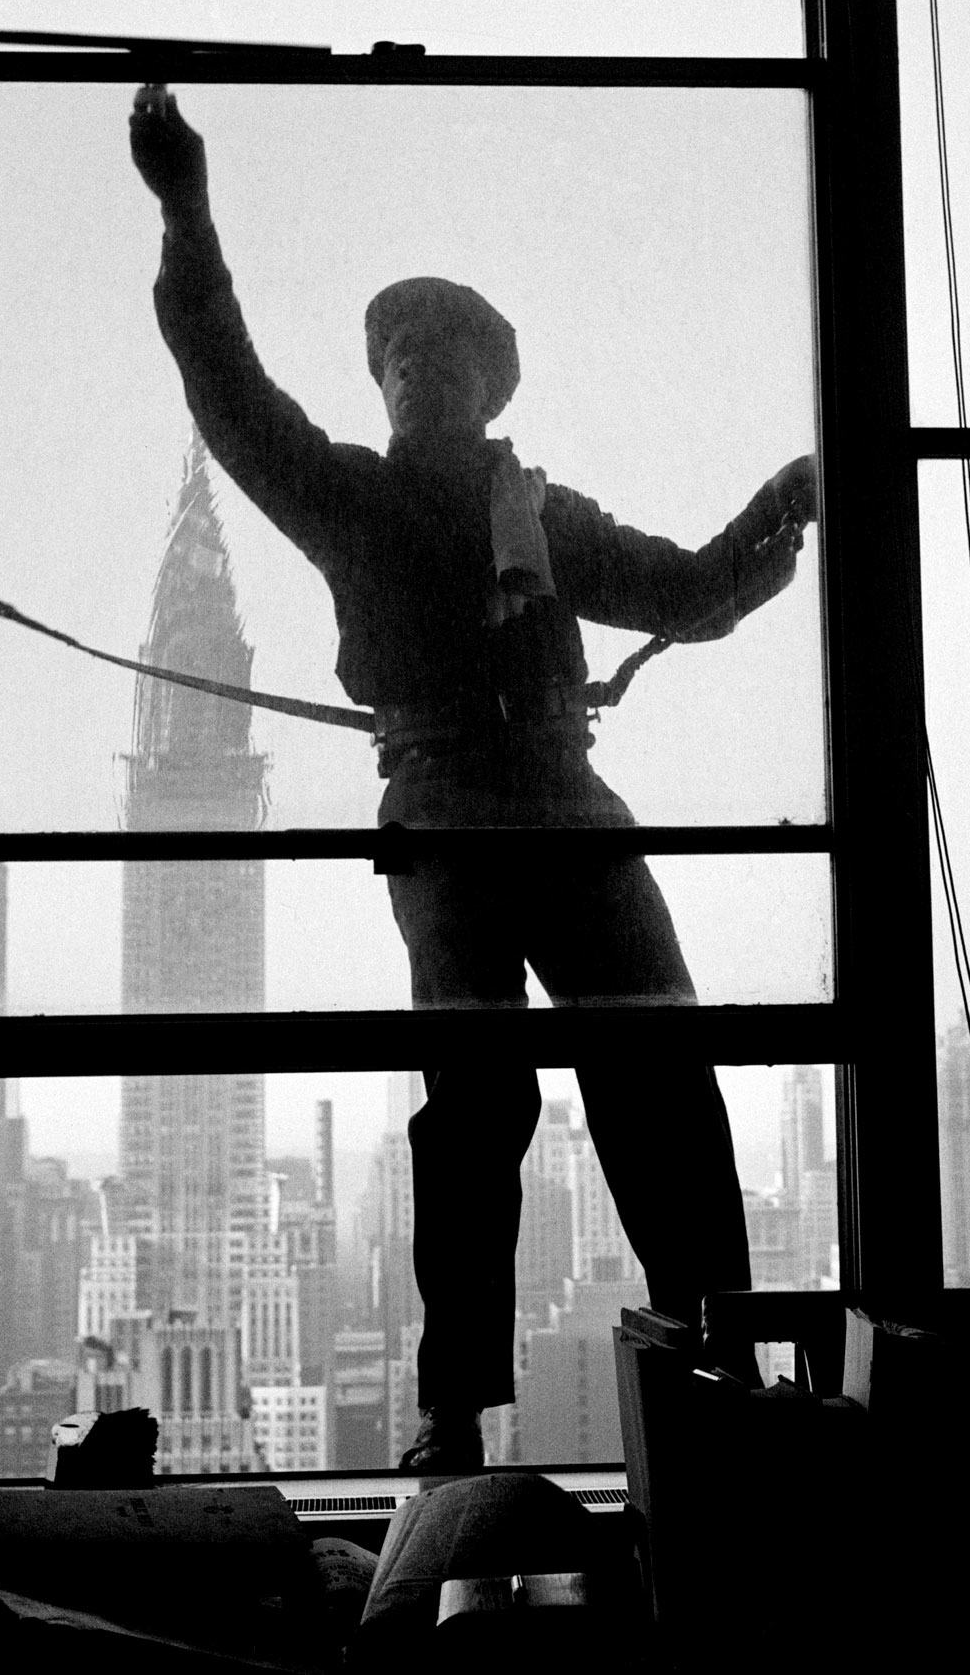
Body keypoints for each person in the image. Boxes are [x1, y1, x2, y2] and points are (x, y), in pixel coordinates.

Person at [129, 85, 818, 1471]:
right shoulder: (354, 495)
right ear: (381, 382)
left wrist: (787, 502)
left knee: (658, 1072)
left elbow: (688, 590)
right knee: (481, 1101)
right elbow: (229, 390)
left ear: (485, 388)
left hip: (560, 801)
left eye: (441, 356)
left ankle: (718, 1347)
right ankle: (456, 1409)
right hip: (448, 812)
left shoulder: (541, 517)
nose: (415, 372)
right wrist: (187, 212)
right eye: (397, 355)